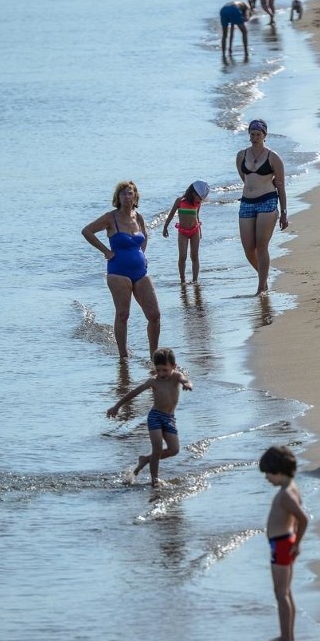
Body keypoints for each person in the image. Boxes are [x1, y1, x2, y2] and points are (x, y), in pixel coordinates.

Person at [81, 181, 161, 360]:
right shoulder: (111, 218)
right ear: (118, 197)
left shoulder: (138, 217)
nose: (127, 197)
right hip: (118, 272)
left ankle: (154, 357)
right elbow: (87, 231)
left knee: (154, 315)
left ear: (135, 196)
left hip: (140, 272)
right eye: (123, 194)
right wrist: (106, 251)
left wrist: (142, 254)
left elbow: (145, 237)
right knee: (123, 314)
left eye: (130, 193)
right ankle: (123, 357)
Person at [106, 347, 193, 487]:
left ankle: (145, 459)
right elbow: (134, 392)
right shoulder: (153, 381)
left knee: (174, 450)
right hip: (155, 417)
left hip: (169, 418)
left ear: (174, 367)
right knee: (157, 447)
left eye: (165, 370)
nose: (161, 373)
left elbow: (185, 380)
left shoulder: (177, 376)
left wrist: (187, 384)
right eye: (158, 370)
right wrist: (117, 406)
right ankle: (155, 480)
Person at [259, 445, 309, 641]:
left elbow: (303, 519)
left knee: (281, 593)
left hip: (282, 544)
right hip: (283, 542)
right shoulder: (291, 488)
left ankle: (285, 638)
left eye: (268, 474)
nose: (266, 478)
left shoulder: (286, 494)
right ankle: (288, 636)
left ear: (278, 471)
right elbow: (297, 519)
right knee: (285, 592)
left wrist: (296, 543)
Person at [236, 118, 288, 294]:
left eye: (258, 134)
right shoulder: (241, 155)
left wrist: (284, 212)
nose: (254, 137)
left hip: (267, 200)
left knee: (261, 245)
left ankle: (261, 287)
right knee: (248, 248)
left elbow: (280, 185)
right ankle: (264, 277)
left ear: (265, 135)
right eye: (252, 134)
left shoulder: (273, 157)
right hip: (247, 202)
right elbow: (244, 178)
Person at [162, 179, 210, 283]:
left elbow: (197, 216)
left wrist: (200, 231)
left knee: (195, 256)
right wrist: (165, 227)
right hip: (183, 232)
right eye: (199, 198)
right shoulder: (180, 201)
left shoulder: (198, 203)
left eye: (201, 199)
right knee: (182, 256)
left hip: (195, 231)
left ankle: (195, 280)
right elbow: (171, 214)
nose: (200, 201)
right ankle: (182, 279)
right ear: (193, 194)